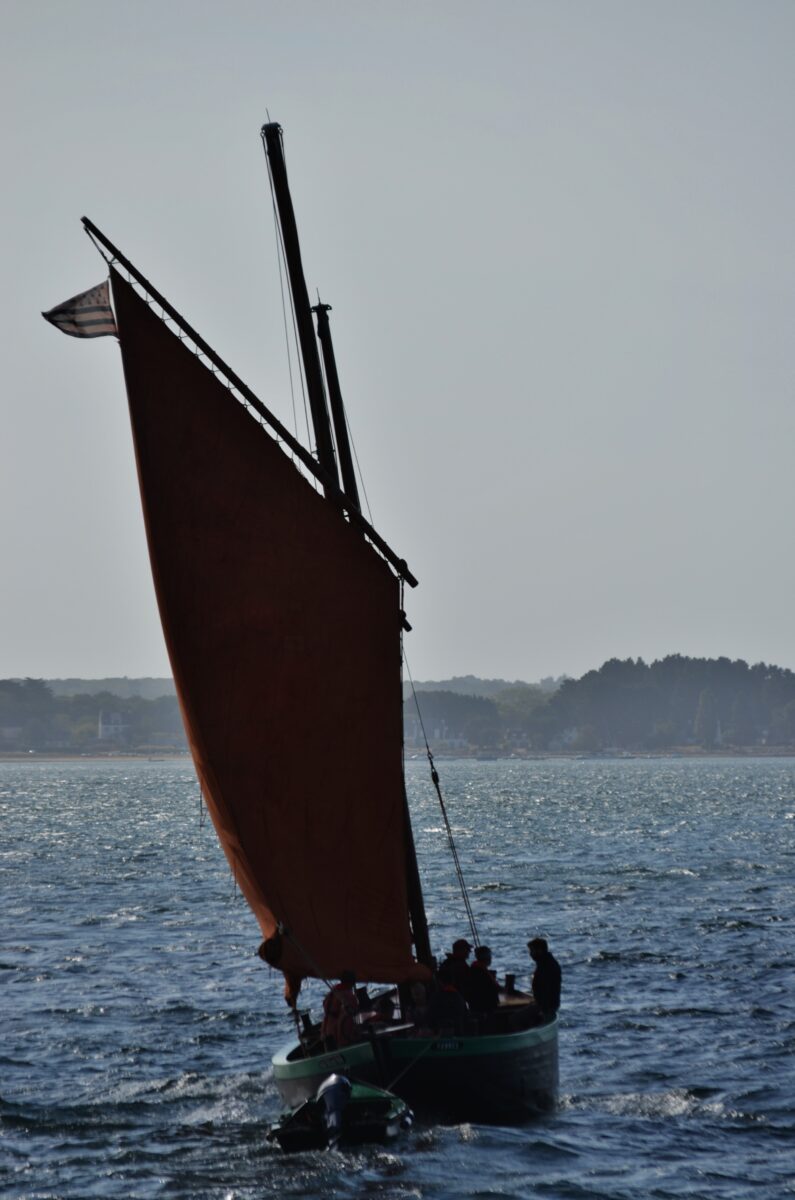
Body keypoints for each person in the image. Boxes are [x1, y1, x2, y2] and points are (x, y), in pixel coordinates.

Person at [321, 969, 359, 1048]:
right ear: (352, 981)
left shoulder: (333, 991)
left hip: (325, 1027)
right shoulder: (348, 995)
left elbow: (325, 1004)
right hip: (337, 1028)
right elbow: (353, 1012)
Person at [428, 960, 468, 1035]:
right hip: (458, 1035)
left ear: (440, 981)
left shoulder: (436, 998)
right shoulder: (459, 998)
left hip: (439, 1036)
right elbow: (465, 1018)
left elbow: (430, 1020)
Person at [527, 937, 561, 1017]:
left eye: (532, 951)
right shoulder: (544, 963)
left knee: (515, 1019)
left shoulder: (547, 966)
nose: (530, 954)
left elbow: (547, 990)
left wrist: (543, 1010)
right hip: (544, 1005)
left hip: (546, 1007)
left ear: (540, 950)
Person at [467, 945, 500, 1015]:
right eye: (490, 956)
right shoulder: (480, 972)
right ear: (486, 957)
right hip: (483, 1008)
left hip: (477, 1006)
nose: (491, 958)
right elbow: (490, 988)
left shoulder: (475, 968)